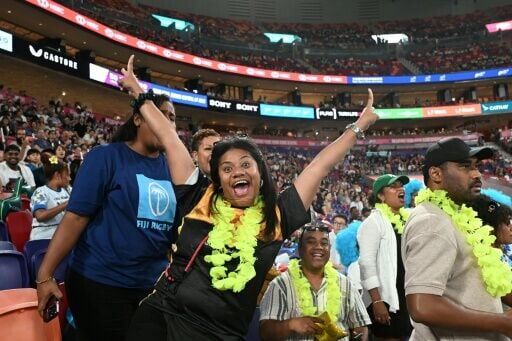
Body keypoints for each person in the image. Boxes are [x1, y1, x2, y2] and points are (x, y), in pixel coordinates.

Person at [118, 55, 379, 340]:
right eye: (226, 169)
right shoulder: (198, 197)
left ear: (261, 173)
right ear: (219, 179)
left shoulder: (278, 215)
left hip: (221, 333)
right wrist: (138, 92)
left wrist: (359, 125)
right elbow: (170, 138)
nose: (236, 172)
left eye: (245, 164)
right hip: (163, 316)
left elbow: (319, 166)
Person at [36, 93, 177, 341]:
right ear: (137, 119)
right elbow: (75, 219)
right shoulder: (106, 157)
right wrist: (45, 274)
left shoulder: (174, 169)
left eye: (172, 119)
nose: (166, 123)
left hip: (152, 287)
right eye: (159, 114)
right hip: (100, 284)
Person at [402, 137, 512, 339]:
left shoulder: (457, 217)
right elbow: (422, 305)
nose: (477, 174)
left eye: (476, 167)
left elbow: (475, 279)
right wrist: (502, 322)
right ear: (436, 174)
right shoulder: (431, 221)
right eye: (465, 167)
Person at [259, 223, 371, 341]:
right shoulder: (281, 285)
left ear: (329, 248)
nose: (319, 247)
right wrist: (290, 325)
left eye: (324, 243)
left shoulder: (345, 284)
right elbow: (265, 333)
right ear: (300, 249)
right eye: (311, 242)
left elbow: (360, 326)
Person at [357, 174, 412, 340]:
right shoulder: (373, 222)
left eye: (401, 185)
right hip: (386, 296)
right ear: (381, 195)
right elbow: (366, 263)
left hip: (406, 293)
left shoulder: (407, 219)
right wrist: (376, 301)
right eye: (393, 186)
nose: (400, 189)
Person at [29, 154, 71, 240]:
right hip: (44, 235)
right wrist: (66, 204)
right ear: (57, 175)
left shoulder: (68, 189)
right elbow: (40, 216)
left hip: (62, 231)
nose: (69, 178)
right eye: (67, 175)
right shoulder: (40, 192)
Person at [470, 195, 512, 268]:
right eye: (507, 223)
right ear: (489, 227)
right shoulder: (479, 259)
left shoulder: (507, 248)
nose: (511, 227)